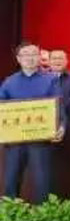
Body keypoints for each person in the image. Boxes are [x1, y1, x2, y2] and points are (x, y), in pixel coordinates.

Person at [0, 42, 62, 204]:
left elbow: (58, 107)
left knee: (43, 181)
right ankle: (10, 214)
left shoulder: (51, 80)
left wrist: (60, 127)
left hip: (40, 139)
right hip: (15, 141)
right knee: (11, 180)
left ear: (39, 57)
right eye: (25, 54)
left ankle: (44, 215)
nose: (30, 58)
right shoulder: (9, 82)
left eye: (34, 54)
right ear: (18, 59)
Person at [49, 50, 70, 141]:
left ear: (66, 61)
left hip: (69, 123)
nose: (57, 61)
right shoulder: (42, 78)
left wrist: (58, 103)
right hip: (47, 122)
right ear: (49, 61)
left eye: (60, 58)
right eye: (54, 58)